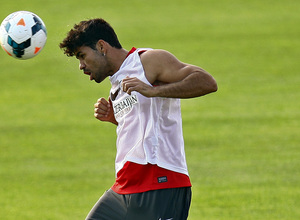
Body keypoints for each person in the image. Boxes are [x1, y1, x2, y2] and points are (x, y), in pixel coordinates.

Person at [59, 18, 217, 220]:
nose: (81, 66)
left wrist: (152, 91)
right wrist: (114, 118)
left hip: (160, 183)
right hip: (124, 187)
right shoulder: (117, 81)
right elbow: (147, 123)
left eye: (82, 56)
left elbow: (207, 82)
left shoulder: (149, 61)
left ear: (101, 46)